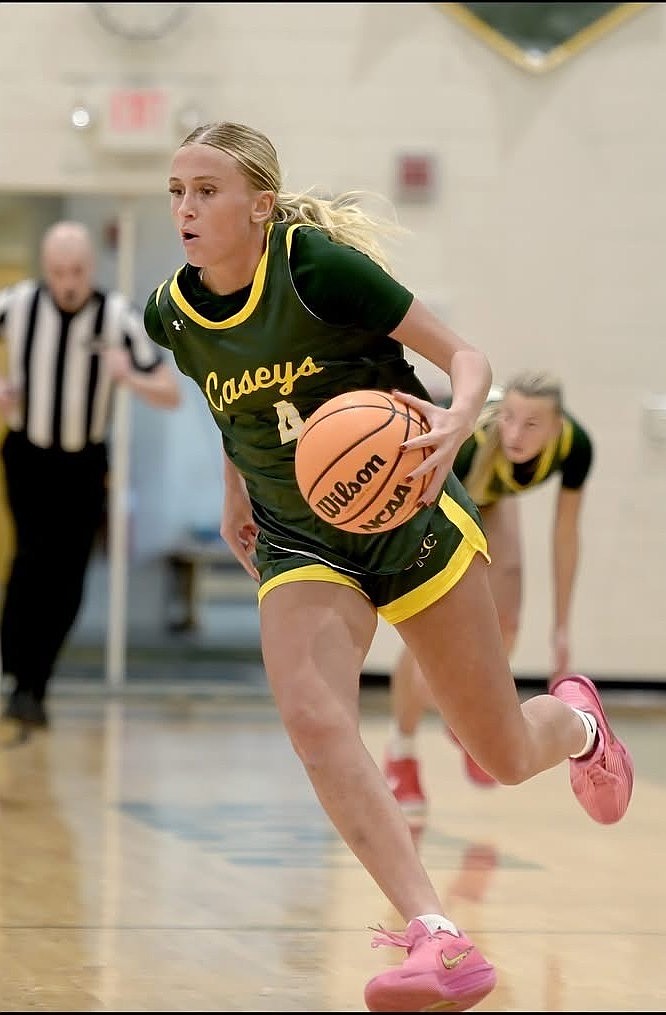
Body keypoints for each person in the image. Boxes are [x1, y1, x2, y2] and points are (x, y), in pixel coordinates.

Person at [143, 121, 633, 1012]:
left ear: (259, 205)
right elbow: (232, 407)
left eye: (205, 191)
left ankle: (576, 725)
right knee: (314, 716)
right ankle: (435, 934)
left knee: (503, 750)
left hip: (409, 517)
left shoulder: (317, 268)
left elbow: (467, 359)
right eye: (176, 190)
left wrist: (458, 421)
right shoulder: (170, 314)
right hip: (300, 538)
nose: (184, 207)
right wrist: (234, 492)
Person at [384, 370, 594, 814]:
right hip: (434, 494)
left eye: (531, 424)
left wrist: (561, 626)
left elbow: (566, 535)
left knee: (507, 621)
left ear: (557, 426)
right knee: (427, 641)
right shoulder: (474, 444)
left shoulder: (576, 446)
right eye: (509, 418)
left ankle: (468, 722)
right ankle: (401, 751)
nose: (515, 433)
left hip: (491, 498)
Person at [0, 221, 182, 728]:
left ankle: (36, 679)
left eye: (77, 270)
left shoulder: (117, 316)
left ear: (91, 268)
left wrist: (131, 378)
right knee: (33, 558)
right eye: (58, 272)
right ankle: (20, 672)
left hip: (84, 464)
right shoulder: (17, 305)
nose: (68, 282)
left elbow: (170, 392)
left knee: (70, 573)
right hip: (28, 455)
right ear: (45, 269)